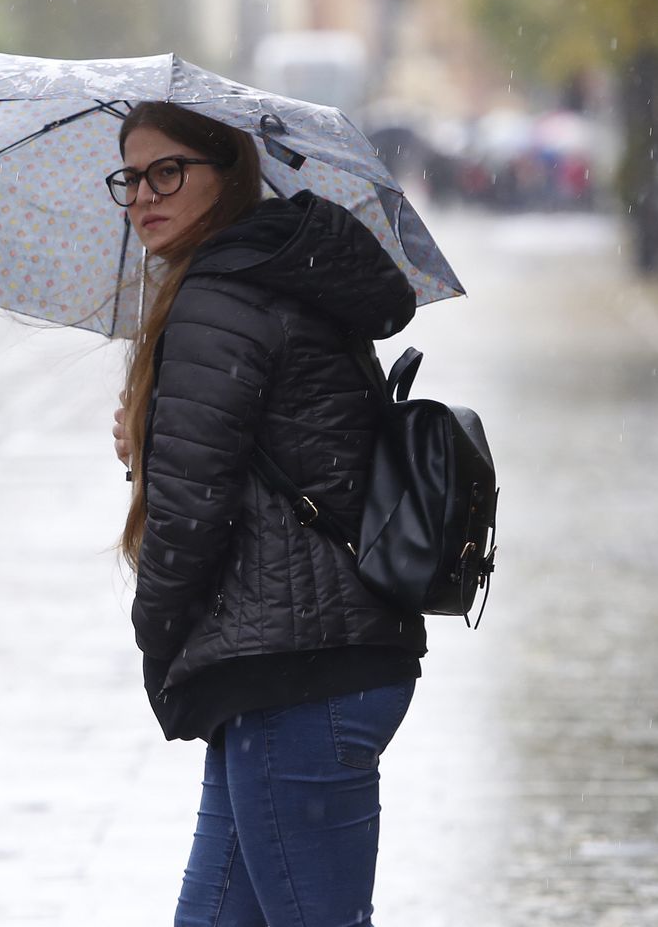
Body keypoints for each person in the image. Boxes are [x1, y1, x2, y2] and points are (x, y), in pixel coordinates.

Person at [107, 102, 424, 927]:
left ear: (229, 171)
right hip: (309, 661)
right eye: (130, 177)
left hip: (297, 676)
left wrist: (158, 640)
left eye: (168, 170)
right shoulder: (280, 272)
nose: (144, 194)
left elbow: (189, 513)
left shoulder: (219, 295)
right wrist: (153, 435)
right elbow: (278, 447)